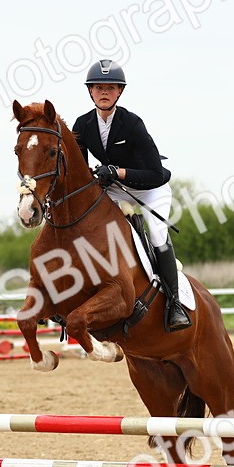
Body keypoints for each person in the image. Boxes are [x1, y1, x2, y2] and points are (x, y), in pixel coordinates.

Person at [71, 59, 191, 332]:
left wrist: (118, 172)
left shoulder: (133, 123)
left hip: (149, 189)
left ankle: (175, 305)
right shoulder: (83, 124)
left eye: (110, 88)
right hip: (114, 188)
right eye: (98, 87)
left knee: (158, 234)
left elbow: (157, 174)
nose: (104, 92)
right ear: (90, 91)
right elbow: (81, 169)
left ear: (119, 92)